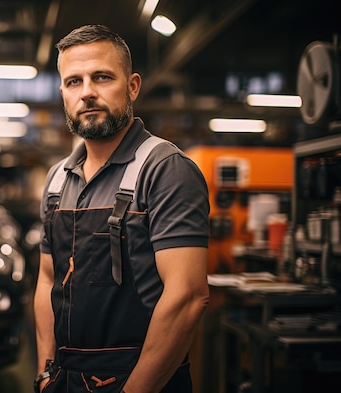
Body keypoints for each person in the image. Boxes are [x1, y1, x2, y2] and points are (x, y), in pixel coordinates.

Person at [33, 24, 210, 393]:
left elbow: (188, 296)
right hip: (66, 380)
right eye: (74, 82)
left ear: (132, 86)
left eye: (102, 77)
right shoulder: (56, 181)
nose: (87, 93)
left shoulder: (165, 170)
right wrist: (46, 373)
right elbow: (47, 280)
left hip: (142, 380)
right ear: (63, 92)